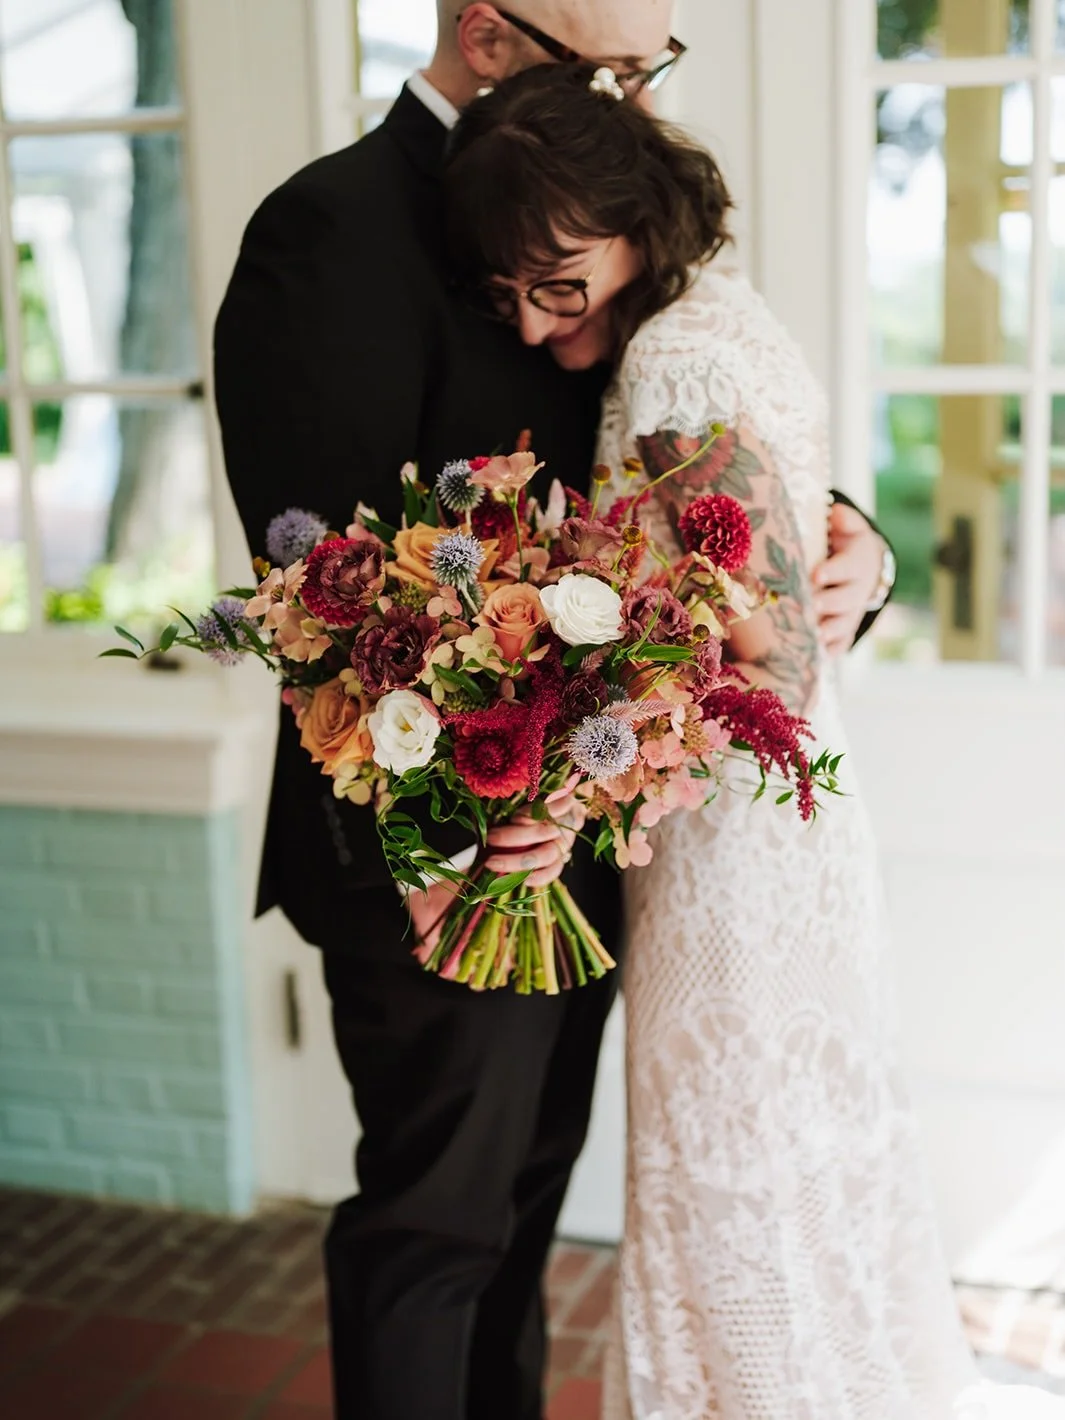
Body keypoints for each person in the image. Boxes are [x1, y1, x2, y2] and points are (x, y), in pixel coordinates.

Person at [212, 6, 891, 1418]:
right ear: (487, 33)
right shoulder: (332, 229)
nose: (630, 98)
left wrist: (851, 541)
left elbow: (672, 468)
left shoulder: (613, 238)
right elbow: (324, 584)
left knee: (521, 1223)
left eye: (649, 71)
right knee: (434, 1235)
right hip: (436, 849)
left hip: (586, 826)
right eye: (606, 67)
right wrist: (433, 840)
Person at [442, 62, 1065, 1420]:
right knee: (792, 1166)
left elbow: (768, 656)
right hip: (771, 822)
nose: (541, 328)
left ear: (631, 225)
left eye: (560, 285)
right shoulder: (720, 313)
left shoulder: (673, 361)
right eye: (511, 297)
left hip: (732, 849)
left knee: (738, 1181)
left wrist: (574, 777)